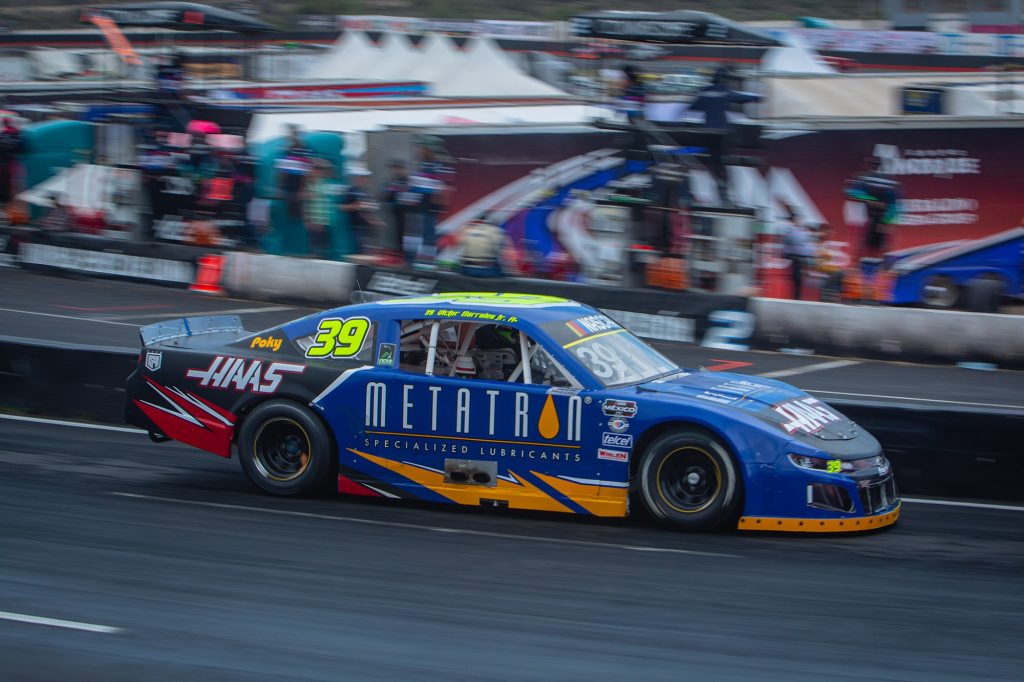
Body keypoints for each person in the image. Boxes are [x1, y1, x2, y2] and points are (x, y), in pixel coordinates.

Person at [844, 155, 902, 260]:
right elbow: (851, 191)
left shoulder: (862, 177)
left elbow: (851, 191)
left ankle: (881, 263)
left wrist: (887, 220)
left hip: (876, 216)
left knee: (879, 242)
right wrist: (873, 201)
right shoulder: (890, 180)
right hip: (868, 216)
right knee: (864, 241)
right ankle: (859, 261)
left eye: (873, 164)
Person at [409, 136, 454, 268]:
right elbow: (415, 187)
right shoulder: (422, 165)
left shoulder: (438, 166)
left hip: (430, 208)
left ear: (428, 149)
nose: (418, 151)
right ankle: (423, 260)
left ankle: (428, 262)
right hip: (421, 208)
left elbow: (444, 189)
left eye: (421, 148)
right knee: (421, 236)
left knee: (428, 236)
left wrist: (437, 205)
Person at [340, 166, 385, 253]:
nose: (366, 179)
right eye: (364, 177)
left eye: (367, 177)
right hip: (355, 227)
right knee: (360, 249)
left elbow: (370, 210)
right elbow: (342, 207)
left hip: (367, 227)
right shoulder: (351, 191)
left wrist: (377, 221)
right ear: (358, 178)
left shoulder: (367, 192)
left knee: (368, 249)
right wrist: (355, 206)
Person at [380, 159, 417, 263]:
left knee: (406, 236)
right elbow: (385, 197)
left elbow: (413, 199)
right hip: (396, 213)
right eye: (394, 169)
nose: (395, 171)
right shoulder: (392, 181)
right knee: (397, 235)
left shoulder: (408, 181)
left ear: (403, 169)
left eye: (398, 168)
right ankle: (400, 255)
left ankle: (408, 258)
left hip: (408, 215)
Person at [303, 158, 340, 259]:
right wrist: (307, 219)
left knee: (323, 244)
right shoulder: (309, 184)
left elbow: (327, 200)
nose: (315, 171)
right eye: (314, 169)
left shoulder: (327, 183)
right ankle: (316, 254)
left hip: (323, 219)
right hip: (313, 219)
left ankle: (321, 255)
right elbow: (307, 201)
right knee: (315, 242)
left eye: (317, 169)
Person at [780, 211, 818, 301]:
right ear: (794, 220)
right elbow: (792, 243)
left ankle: (799, 297)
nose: (799, 221)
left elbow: (809, 246)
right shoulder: (790, 231)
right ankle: (796, 297)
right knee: (797, 277)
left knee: (802, 279)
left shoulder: (805, 232)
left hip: (804, 259)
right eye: (797, 220)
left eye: (800, 220)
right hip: (794, 258)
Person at [0, 117, 23, 221]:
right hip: (12, 163)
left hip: (4, 163)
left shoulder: (3, 135)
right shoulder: (17, 134)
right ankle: (8, 211)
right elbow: (19, 148)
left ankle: (5, 209)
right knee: (12, 187)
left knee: (6, 187)